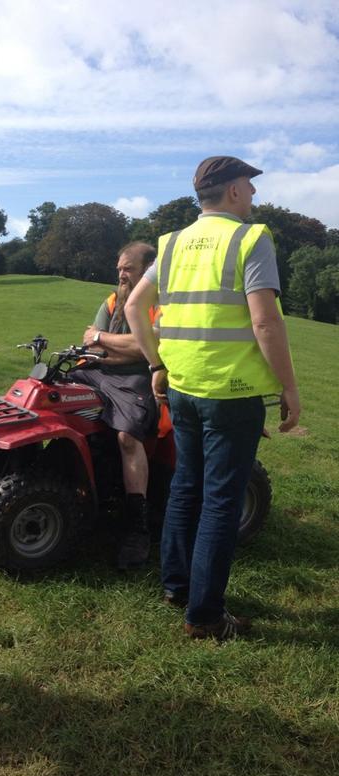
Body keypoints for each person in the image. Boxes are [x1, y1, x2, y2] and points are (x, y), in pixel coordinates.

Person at [125, 156, 300, 641]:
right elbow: (265, 321)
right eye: (250, 185)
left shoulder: (173, 242)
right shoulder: (252, 238)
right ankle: (204, 616)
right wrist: (289, 386)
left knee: (187, 487)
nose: (255, 194)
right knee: (221, 500)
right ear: (234, 191)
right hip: (232, 393)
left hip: (182, 386)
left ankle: (176, 587)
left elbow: (136, 305)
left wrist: (157, 364)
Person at [74, 241, 158, 569]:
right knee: (53, 400)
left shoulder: (162, 302)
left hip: (141, 379)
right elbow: (89, 344)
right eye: (119, 268)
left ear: (148, 270)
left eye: (128, 268)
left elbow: (147, 349)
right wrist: (110, 345)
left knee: (128, 437)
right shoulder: (112, 300)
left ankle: (137, 525)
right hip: (99, 372)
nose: (121, 274)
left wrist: (102, 339)